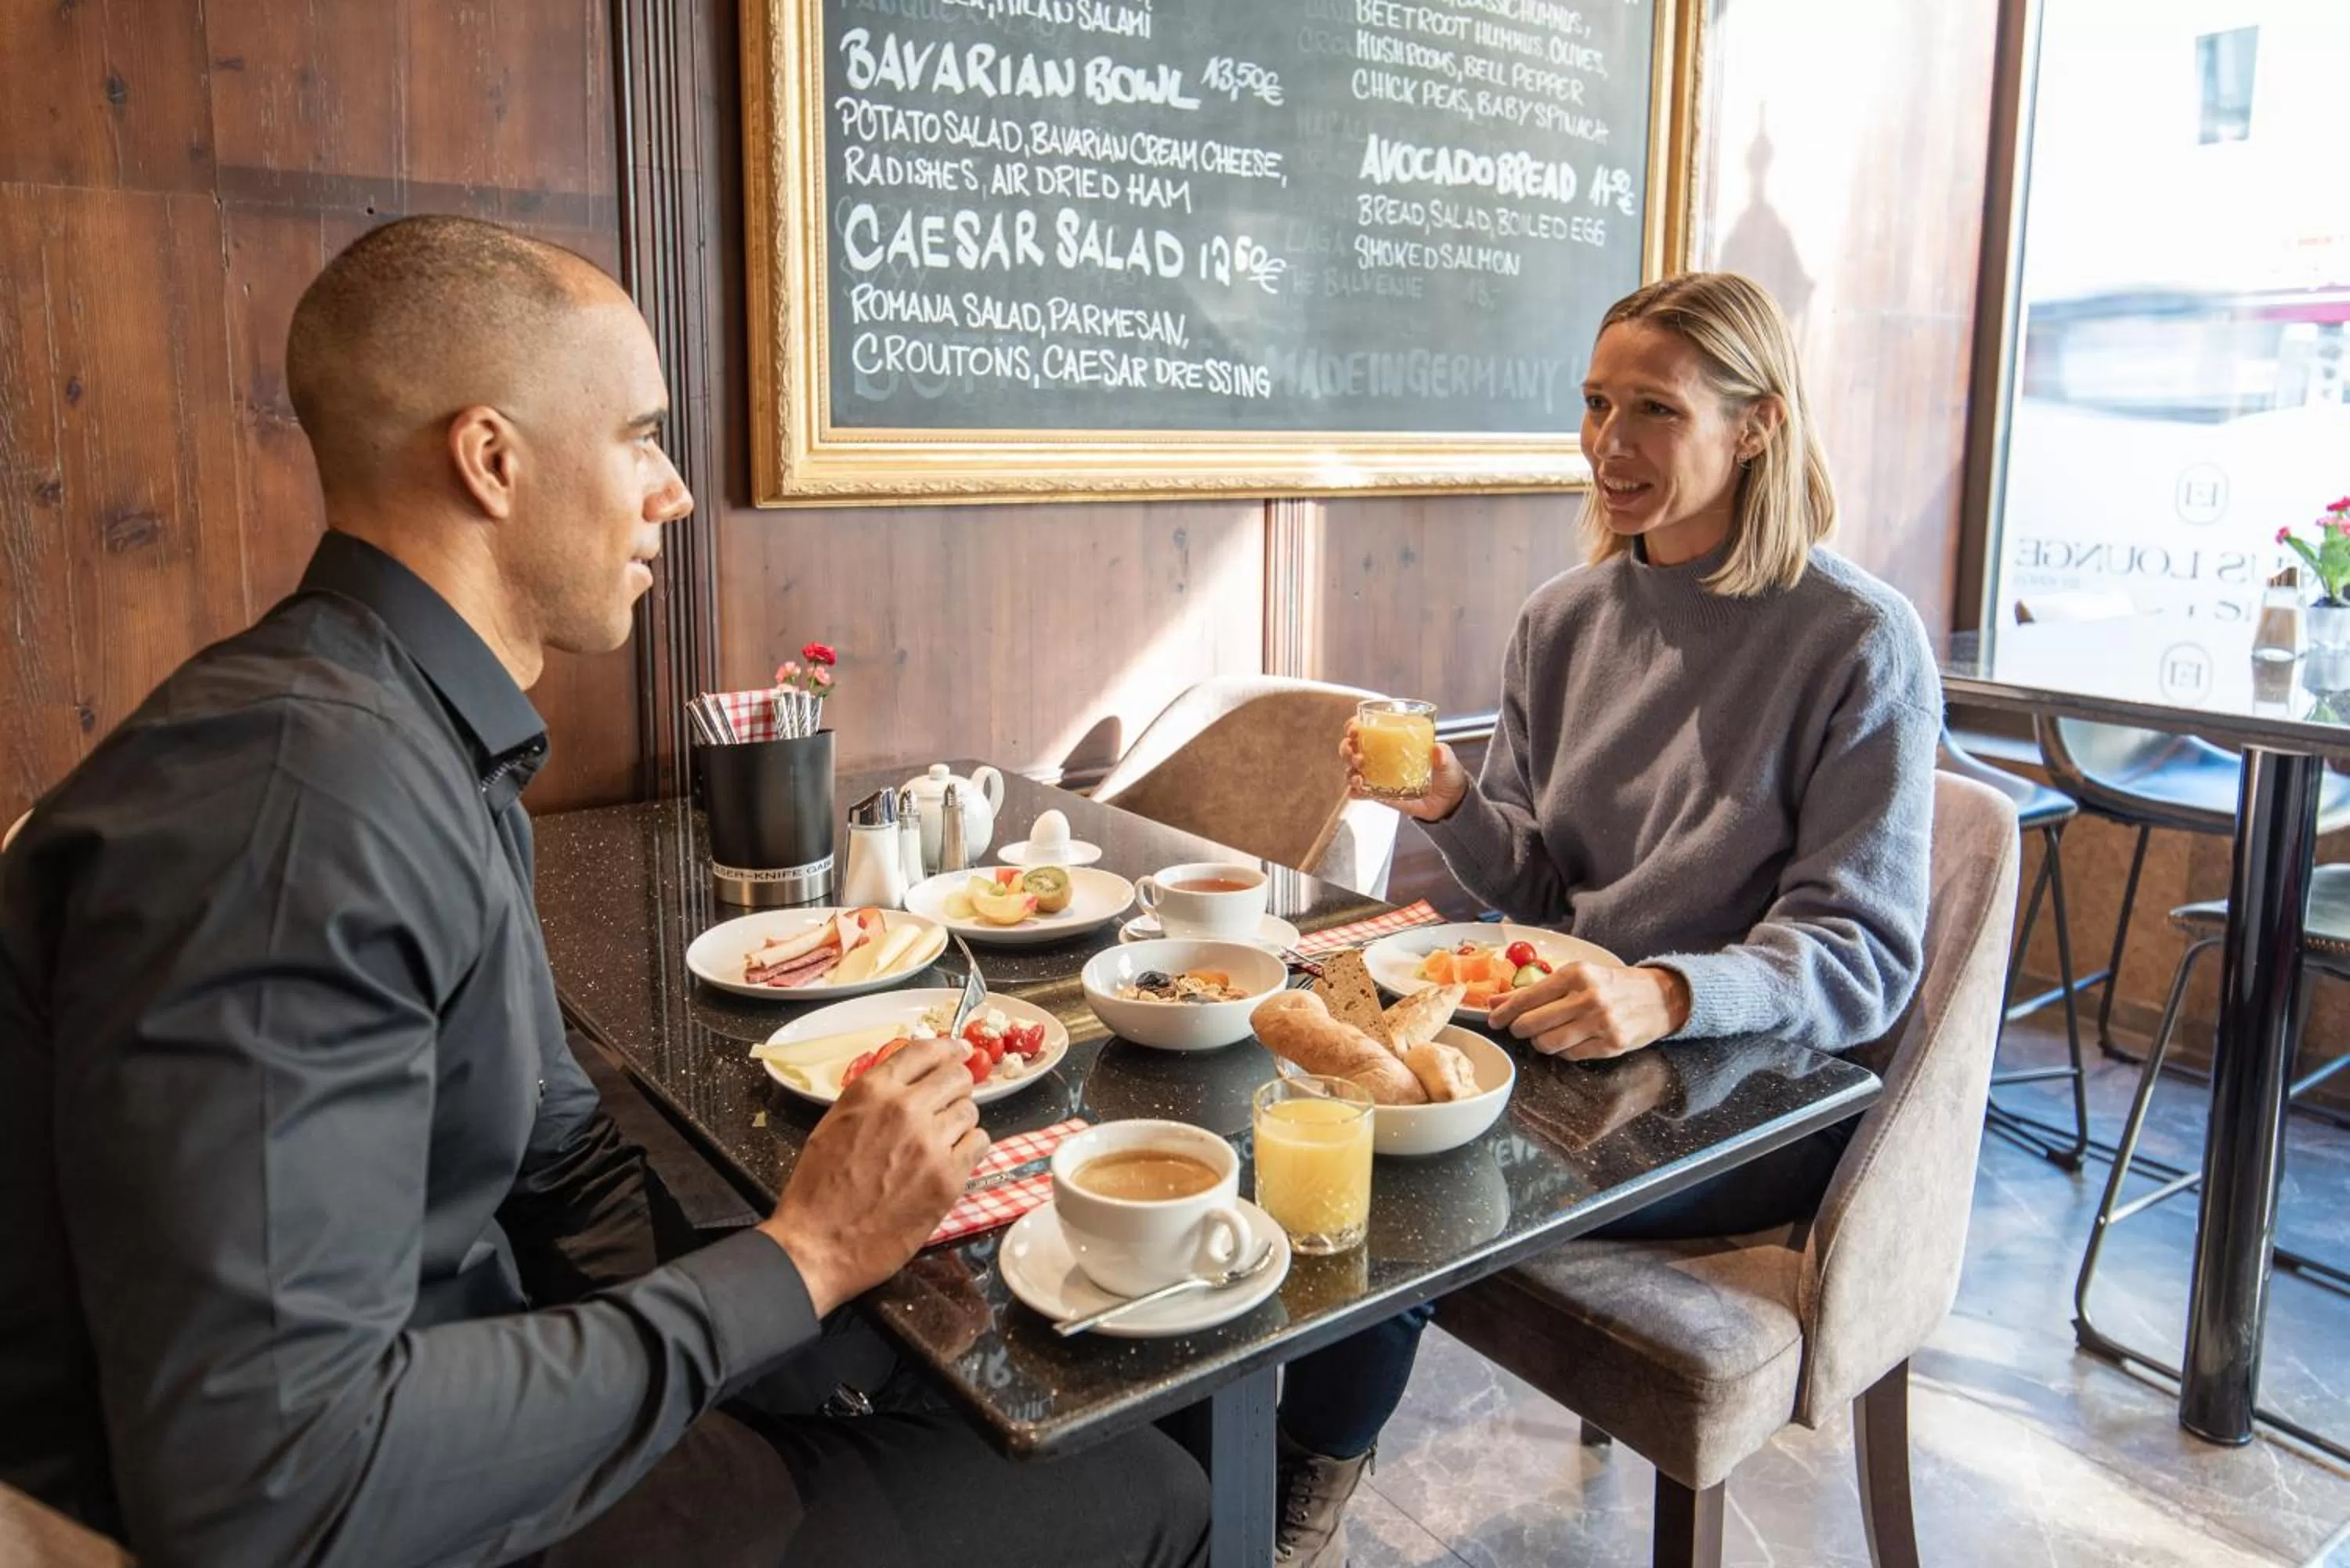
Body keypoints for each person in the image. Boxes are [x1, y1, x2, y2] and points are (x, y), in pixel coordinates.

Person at [0, 215, 1208, 1568]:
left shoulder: (412, 737)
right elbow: (274, 1485)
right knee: (1156, 1492)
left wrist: (824, 1296)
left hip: (484, 1397)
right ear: (492, 459)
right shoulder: (294, 812)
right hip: (394, 1512)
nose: (674, 489)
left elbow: (561, 1164)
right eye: (640, 435)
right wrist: (799, 1258)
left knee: (1034, 1367)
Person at [1270, 272, 1940, 1565]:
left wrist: (1671, 991)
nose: (1609, 445)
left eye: (1654, 410)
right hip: (1568, 1046)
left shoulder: (1859, 640)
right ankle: (1214, 1475)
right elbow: (1531, 885)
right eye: (1593, 403)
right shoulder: (1563, 620)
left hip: (1744, 1091)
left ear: (1754, 426)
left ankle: (1302, 1487)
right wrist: (1458, 798)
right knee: (1299, 1086)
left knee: (1404, 1157)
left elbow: (1863, 951)